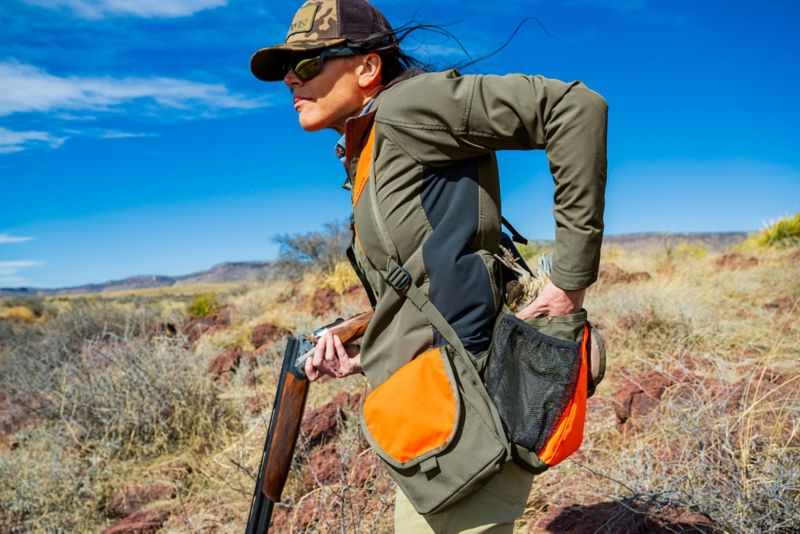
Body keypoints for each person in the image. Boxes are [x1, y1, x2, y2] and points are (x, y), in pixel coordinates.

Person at [250, 0, 607, 531]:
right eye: (286, 71)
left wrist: (571, 280)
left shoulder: (411, 104)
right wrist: (364, 355)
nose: (289, 81)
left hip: (479, 402)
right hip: (434, 411)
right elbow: (427, 278)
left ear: (367, 67)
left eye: (306, 65)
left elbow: (574, 108)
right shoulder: (369, 144)